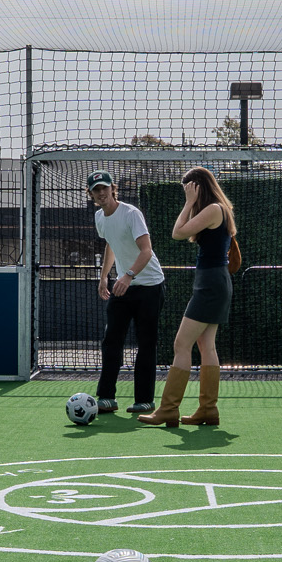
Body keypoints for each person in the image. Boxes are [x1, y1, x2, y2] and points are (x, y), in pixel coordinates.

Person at [140, 165, 235, 429]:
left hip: (211, 284)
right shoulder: (217, 209)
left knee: (181, 344)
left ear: (197, 187)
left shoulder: (214, 209)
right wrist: (192, 202)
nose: (186, 194)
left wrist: (189, 202)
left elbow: (178, 233)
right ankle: (208, 410)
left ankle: (168, 410)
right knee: (206, 345)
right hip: (213, 282)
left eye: (188, 189)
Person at [88, 170, 164, 415]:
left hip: (150, 286)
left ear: (113, 189)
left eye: (104, 188)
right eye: (96, 190)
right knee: (111, 341)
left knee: (146, 343)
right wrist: (104, 277)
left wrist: (129, 275)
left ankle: (145, 400)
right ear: (91, 194)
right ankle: (106, 398)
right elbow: (111, 243)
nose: (101, 193)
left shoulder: (131, 213)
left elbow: (146, 250)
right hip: (123, 286)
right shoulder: (100, 217)